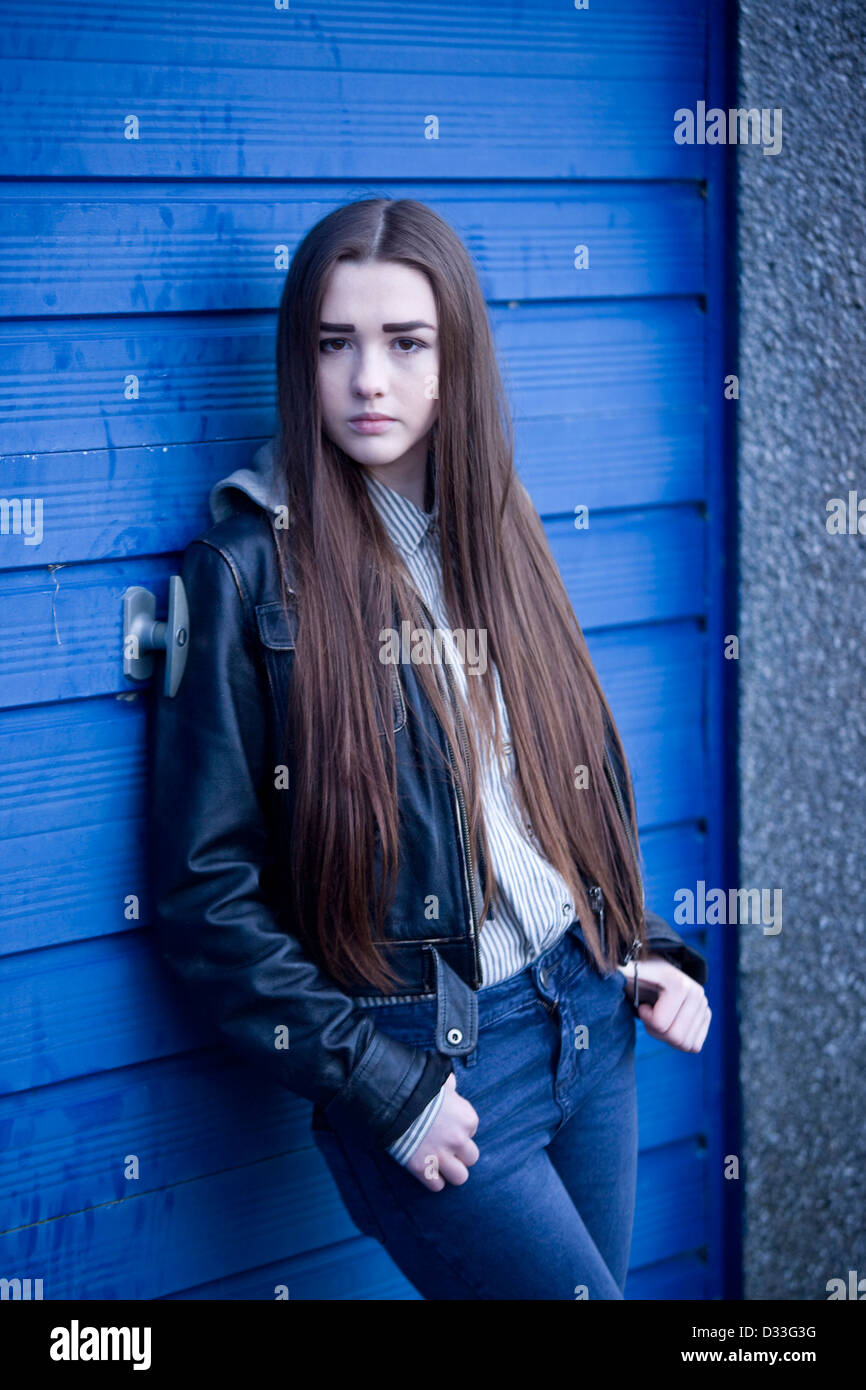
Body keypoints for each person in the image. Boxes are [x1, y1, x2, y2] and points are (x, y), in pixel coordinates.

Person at [148, 197, 710, 1301]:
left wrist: (640, 941)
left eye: (405, 343)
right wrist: (379, 1083)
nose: (367, 378)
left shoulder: (502, 526)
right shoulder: (245, 577)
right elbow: (202, 894)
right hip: (438, 1065)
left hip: (587, 1015)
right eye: (333, 343)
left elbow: (560, 774)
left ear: (456, 360)